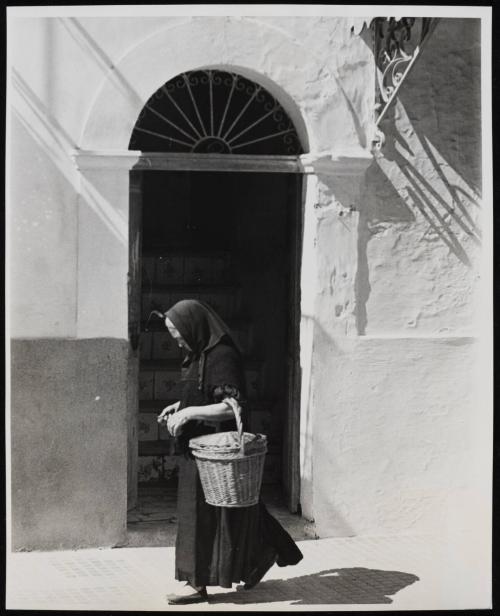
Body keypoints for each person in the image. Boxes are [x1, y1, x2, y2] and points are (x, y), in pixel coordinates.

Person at [157, 299, 303, 604]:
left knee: (198, 515)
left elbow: (230, 405)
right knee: (227, 511)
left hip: (213, 451)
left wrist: (188, 414)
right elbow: (202, 393)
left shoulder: (222, 355)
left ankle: (195, 583)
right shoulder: (197, 353)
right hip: (196, 448)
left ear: (194, 326)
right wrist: (180, 408)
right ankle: (269, 549)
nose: (177, 340)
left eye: (179, 332)